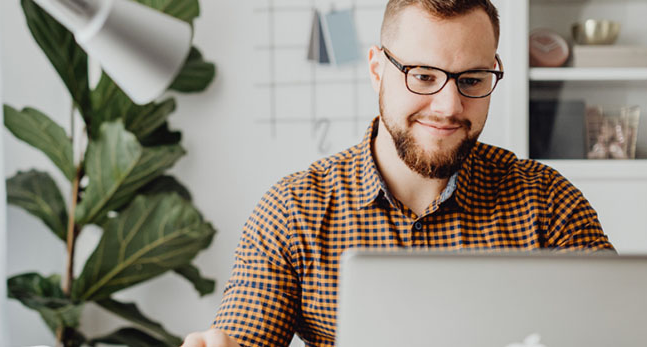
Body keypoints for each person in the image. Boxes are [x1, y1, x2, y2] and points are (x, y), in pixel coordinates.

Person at [182, 0, 614, 346]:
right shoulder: (294, 210)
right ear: (377, 70)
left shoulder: (548, 201)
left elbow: (619, 329)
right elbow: (242, 337)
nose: (448, 106)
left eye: (473, 80)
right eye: (423, 76)